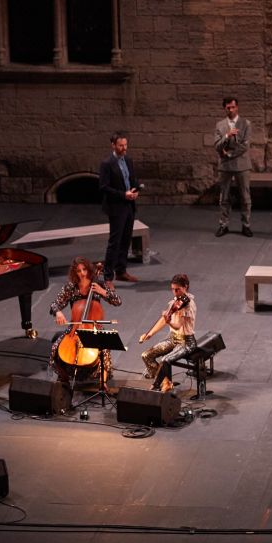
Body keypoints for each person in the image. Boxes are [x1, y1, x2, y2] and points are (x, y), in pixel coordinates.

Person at [49, 256, 122, 383]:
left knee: (104, 350)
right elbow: (54, 305)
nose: (82, 273)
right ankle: (64, 378)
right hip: (75, 328)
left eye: (84, 269)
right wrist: (58, 312)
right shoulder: (71, 287)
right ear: (74, 272)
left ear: (89, 269)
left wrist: (103, 291)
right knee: (55, 349)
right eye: (78, 271)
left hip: (94, 328)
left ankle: (103, 382)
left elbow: (118, 301)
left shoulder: (98, 285)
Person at [139, 274, 197, 393]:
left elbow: (178, 325)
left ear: (185, 287)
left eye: (177, 289)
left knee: (165, 360)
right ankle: (165, 382)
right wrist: (149, 334)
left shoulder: (188, 305)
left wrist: (168, 322)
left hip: (186, 342)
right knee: (146, 355)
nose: (175, 293)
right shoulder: (175, 302)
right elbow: (163, 319)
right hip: (173, 338)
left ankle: (156, 385)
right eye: (173, 289)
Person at [99, 132, 140, 283]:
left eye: (125, 145)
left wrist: (136, 190)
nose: (124, 148)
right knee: (114, 242)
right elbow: (103, 187)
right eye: (121, 145)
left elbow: (133, 179)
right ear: (113, 145)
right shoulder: (107, 163)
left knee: (126, 240)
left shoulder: (128, 160)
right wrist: (123, 194)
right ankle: (108, 278)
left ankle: (121, 271)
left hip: (129, 205)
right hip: (116, 207)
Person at [214, 97, 253, 238]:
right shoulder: (220, 125)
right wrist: (227, 135)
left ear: (237, 107)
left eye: (233, 107)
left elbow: (245, 145)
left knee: (245, 196)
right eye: (228, 108)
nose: (231, 110)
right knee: (224, 196)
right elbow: (217, 145)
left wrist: (229, 154)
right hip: (225, 166)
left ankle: (246, 225)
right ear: (224, 108)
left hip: (241, 165)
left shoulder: (246, 124)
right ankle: (223, 224)